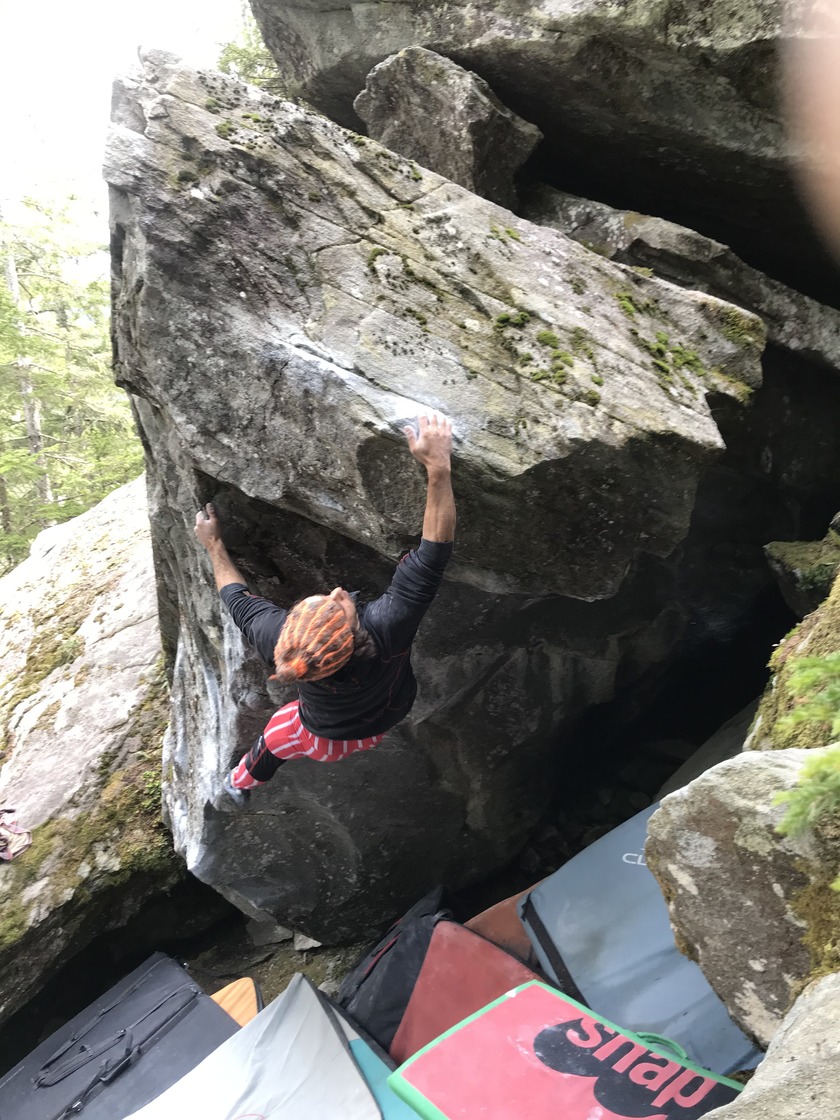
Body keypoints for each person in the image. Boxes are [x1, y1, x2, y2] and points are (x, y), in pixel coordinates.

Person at [194, 411, 456, 803]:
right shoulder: (388, 627)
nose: (336, 592)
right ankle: (239, 783)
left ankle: (239, 784)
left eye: (326, 602)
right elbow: (432, 554)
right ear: (351, 635)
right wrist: (438, 467)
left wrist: (213, 545)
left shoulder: (273, 634)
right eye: (338, 606)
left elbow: (234, 597)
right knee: (282, 735)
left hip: (325, 736)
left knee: (274, 742)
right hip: (387, 713)